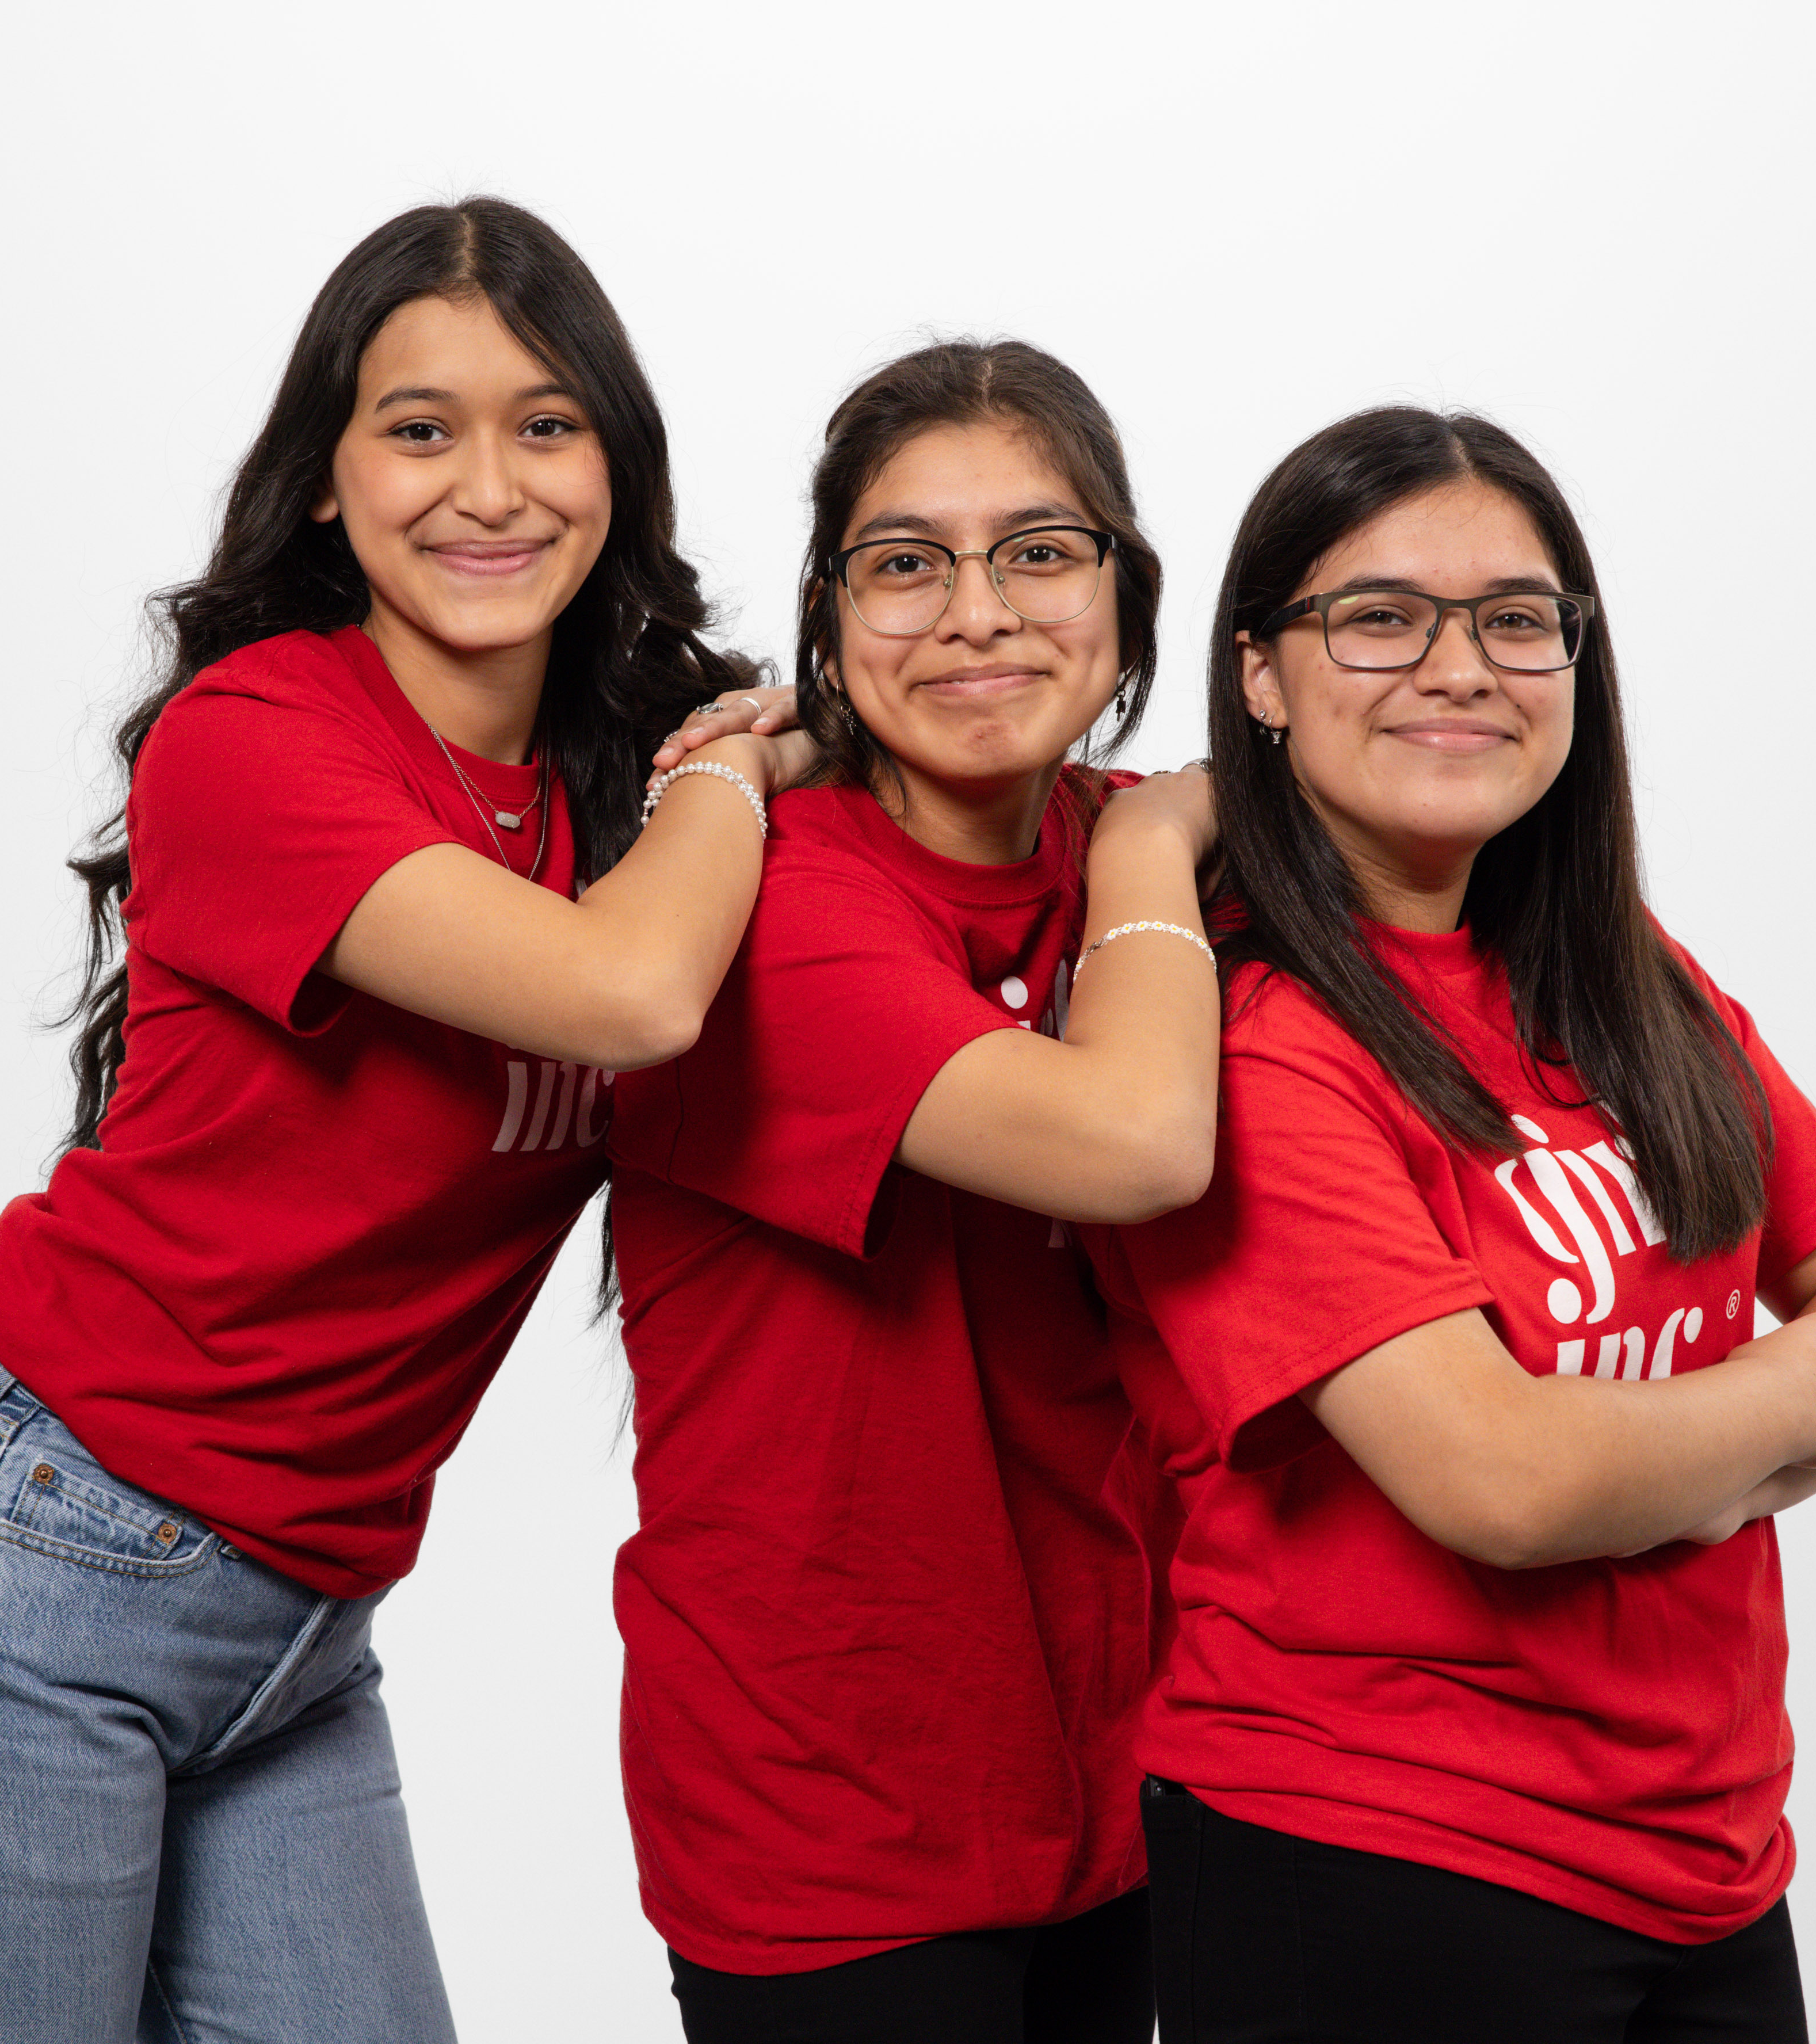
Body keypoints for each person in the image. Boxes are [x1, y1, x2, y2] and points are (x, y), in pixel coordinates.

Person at [0, 197, 804, 2042]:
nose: (488, 486)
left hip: (296, 1629)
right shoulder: (257, 741)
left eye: (546, 425)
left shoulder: (605, 784)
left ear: (615, 466)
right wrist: (735, 763)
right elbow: (627, 998)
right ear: (326, 480)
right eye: (420, 428)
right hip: (35, 1587)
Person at [1088, 407, 1816, 2043]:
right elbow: (1499, 1482)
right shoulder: (1261, 1043)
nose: (1459, 666)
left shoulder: (1623, 976)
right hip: (1376, 1863)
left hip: (1710, 1854)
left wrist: (1655, 1476)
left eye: (1515, 619)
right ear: (1261, 675)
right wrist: (1775, 1413)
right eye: (1379, 617)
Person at [606, 339, 1222, 2044]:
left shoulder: (1121, 842)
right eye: (907, 565)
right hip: (834, 1826)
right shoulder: (769, 904)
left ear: (1123, 589)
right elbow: (1137, 1144)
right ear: (828, 613)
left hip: (1123, 1780)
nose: (978, 613)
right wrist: (1159, 851)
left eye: (1041, 551)